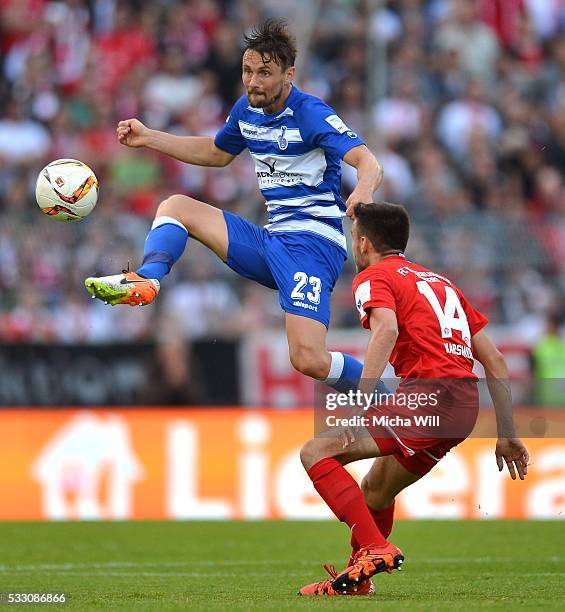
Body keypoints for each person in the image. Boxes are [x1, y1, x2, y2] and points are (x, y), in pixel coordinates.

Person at [85, 18, 384, 395]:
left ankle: (388, 398)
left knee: (307, 358)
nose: (253, 81)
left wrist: (364, 191)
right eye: (247, 71)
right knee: (175, 206)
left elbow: (368, 161)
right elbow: (216, 152)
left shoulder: (311, 113)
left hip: (312, 246)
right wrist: (149, 137)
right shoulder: (246, 110)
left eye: (264, 73)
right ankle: (147, 279)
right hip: (272, 240)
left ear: (289, 74)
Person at [298, 202, 530, 596]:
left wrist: (361, 402)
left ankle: (374, 547)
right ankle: (358, 583)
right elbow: (494, 359)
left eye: (354, 239)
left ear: (364, 242)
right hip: (462, 406)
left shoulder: (374, 276)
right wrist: (507, 432)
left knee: (315, 452)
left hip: (428, 399)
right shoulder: (441, 284)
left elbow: (385, 330)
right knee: (376, 489)